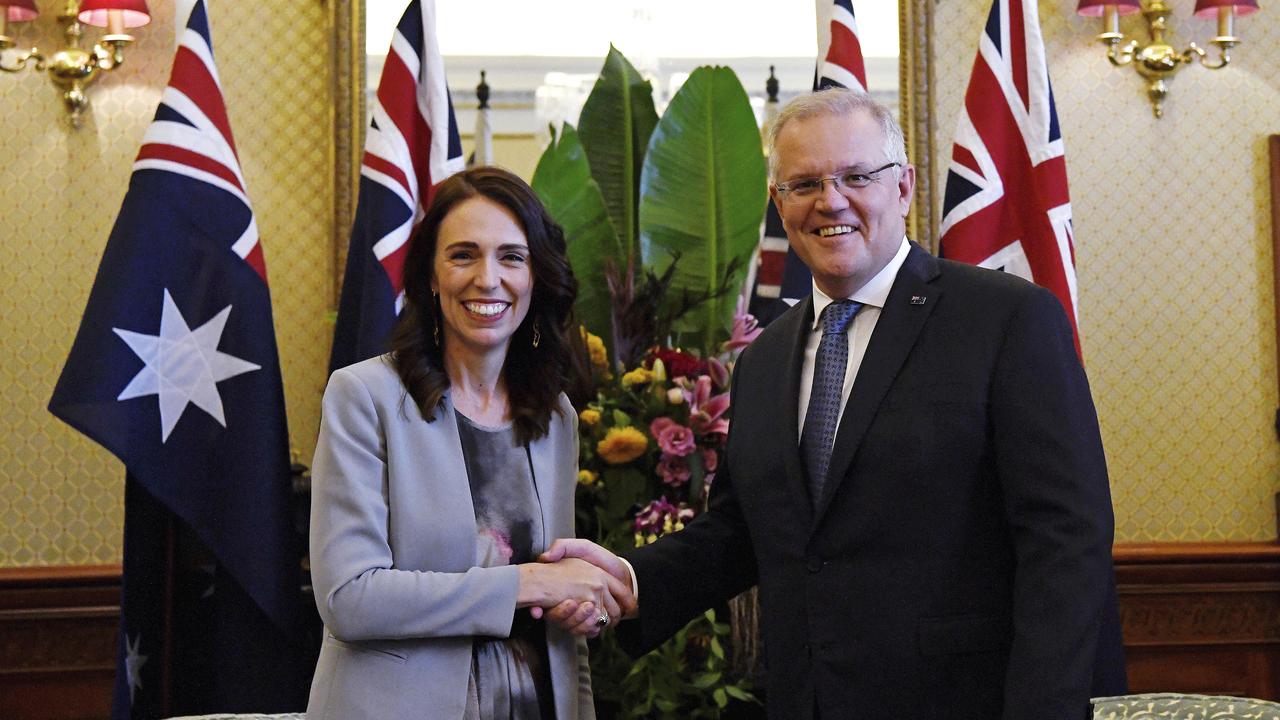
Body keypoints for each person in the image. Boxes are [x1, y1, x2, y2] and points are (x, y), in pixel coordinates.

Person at [541, 89, 1126, 719]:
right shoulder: (764, 359)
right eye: (804, 183)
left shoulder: (1005, 318)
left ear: (902, 188)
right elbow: (745, 529)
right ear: (779, 204)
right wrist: (629, 582)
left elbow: (1066, 537)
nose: (831, 201)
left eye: (855, 176)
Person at [306, 167, 633, 720]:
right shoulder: (365, 396)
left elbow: (561, 620)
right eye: (463, 255)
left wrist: (583, 611)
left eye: (511, 257)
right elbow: (350, 599)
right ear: (432, 276)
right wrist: (527, 583)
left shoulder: (554, 417)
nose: (488, 278)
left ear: (536, 277)